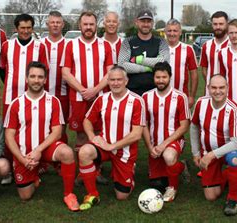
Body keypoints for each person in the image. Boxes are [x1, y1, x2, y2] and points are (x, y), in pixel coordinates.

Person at [4, 62, 79, 211]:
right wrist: (22, 159)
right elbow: (9, 136)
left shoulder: (53, 101)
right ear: (26, 79)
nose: (36, 80)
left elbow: (57, 131)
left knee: (67, 153)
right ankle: (33, 175)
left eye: (40, 77)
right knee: (25, 196)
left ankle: (69, 194)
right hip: (24, 153)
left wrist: (39, 150)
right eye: (32, 76)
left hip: (46, 148)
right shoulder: (16, 103)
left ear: (45, 80)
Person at [77, 66, 145, 211]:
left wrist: (112, 146)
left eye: (119, 79)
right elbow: (87, 121)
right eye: (112, 80)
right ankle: (92, 194)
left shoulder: (137, 101)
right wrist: (93, 137)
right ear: (107, 81)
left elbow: (137, 134)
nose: (115, 83)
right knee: (84, 152)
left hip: (124, 152)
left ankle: (129, 173)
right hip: (104, 145)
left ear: (126, 81)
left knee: (122, 196)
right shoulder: (102, 99)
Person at [190, 75, 237, 216]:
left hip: (228, 153)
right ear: (208, 88)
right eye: (214, 87)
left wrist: (210, 155)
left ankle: (232, 198)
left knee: (235, 159)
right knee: (211, 196)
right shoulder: (201, 103)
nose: (217, 91)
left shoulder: (233, 109)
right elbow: (194, 126)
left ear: (227, 88)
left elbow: (236, 142)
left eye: (221, 87)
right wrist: (196, 153)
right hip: (208, 153)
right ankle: (227, 176)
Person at [61, 11, 113, 149]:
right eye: (85, 24)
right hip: (78, 97)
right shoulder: (71, 45)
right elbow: (65, 73)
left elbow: (110, 73)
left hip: (100, 97)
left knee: (98, 132)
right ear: (80, 25)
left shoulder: (105, 45)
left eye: (91, 24)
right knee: (81, 135)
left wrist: (95, 90)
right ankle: (83, 170)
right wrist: (84, 91)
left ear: (96, 26)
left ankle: (96, 168)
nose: (88, 27)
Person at [142, 62, 190, 202]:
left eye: (164, 77)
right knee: (156, 184)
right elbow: (143, 125)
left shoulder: (180, 97)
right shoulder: (146, 97)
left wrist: (164, 145)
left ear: (170, 77)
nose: (161, 80)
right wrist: (150, 147)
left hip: (174, 141)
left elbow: (184, 126)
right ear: (153, 78)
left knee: (169, 157)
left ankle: (172, 188)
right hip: (154, 145)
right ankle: (181, 166)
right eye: (158, 77)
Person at [0, 13, 48, 118]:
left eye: (29, 28)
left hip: (33, 96)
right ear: (16, 28)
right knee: (9, 129)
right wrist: (12, 83)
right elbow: (2, 69)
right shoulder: (7, 45)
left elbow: (44, 72)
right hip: (10, 95)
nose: (26, 31)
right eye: (22, 28)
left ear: (32, 28)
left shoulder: (40, 46)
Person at [118, 9, 169, 96]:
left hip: (155, 92)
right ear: (136, 22)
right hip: (132, 92)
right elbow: (122, 65)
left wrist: (139, 60)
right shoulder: (128, 42)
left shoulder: (161, 41)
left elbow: (164, 62)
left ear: (152, 23)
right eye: (142, 21)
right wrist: (147, 68)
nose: (145, 24)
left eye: (148, 21)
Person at [41, 11, 69, 143]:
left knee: (61, 127)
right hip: (42, 93)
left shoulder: (70, 44)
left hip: (63, 94)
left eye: (58, 22)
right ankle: (43, 161)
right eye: (52, 22)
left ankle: (61, 160)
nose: (55, 25)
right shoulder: (40, 44)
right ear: (47, 24)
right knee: (42, 126)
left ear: (63, 24)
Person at [164, 18, 198, 107]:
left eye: (175, 31)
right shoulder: (158, 48)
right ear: (165, 32)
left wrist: (192, 96)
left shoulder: (188, 49)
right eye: (169, 31)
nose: (172, 33)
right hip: (161, 97)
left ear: (180, 32)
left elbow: (194, 75)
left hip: (182, 97)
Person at [199, 11, 229, 96]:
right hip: (211, 92)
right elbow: (204, 69)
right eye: (215, 24)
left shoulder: (232, 44)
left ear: (227, 24)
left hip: (229, 91)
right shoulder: (206, 45)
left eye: (221, 24)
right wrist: (211, 82)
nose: (218, 27)